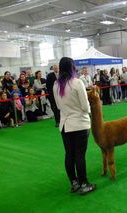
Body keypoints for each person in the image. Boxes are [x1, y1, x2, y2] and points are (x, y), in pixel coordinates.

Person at [53, 57, 96, 195]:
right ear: (72, 67)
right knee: (80, 156)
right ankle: (84, 184)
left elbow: (59, 106)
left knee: (69, 155)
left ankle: (74, 182)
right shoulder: (77, 82)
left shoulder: (56, 85)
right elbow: (85, 106)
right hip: (80, 124)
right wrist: (89, 112)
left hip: (65, 125)